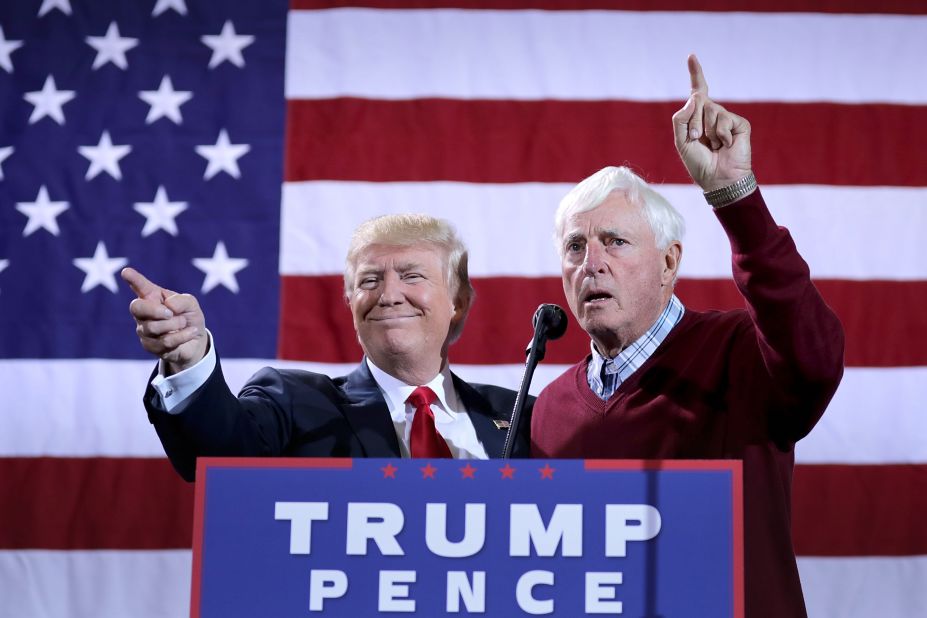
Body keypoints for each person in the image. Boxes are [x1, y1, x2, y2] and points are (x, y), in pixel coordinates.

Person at [530, 56, 845, 618]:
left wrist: (735, 196)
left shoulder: (740, 352)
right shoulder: (549, 406)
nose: (591, 264)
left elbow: (816, 359)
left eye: (615, 242)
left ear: (669, 262)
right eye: (575, 248)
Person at [122, 213, 529, 482]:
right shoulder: (293, 402)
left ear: (457, 302)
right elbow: (219, 460)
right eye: (369, 281)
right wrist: (188, 358)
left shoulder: (522, 417)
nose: (388, 295)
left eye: (411, 276)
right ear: (351, 303)